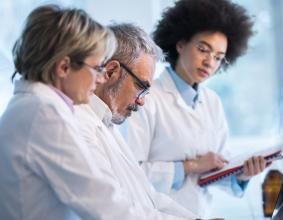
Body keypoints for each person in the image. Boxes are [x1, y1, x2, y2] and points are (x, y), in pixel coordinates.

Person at [0, 5, 149, 220]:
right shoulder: (43, 114)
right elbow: (107, 207)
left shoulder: (32, 106)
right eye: (97, 68)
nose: (100, 78)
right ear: (64, 67)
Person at [126, 0, 269, 217]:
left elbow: (215, 171)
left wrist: (242, 174)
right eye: (203, 49)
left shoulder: (212, 102)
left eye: (218, 57)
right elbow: (130, 173)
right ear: (180, 44)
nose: (209, 62)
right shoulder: (146, 97)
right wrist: (190, 166)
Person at [74, 23, 199, 220]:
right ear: (110, 72)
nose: (141, 101)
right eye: (140, 86)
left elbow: (150, 197)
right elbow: (114, 212)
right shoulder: (80, 124)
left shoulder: (107, 124)